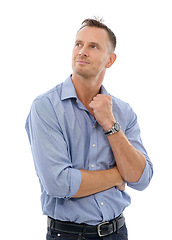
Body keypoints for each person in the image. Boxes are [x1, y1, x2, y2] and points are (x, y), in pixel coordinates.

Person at [25, 18, 153, 240]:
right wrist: (117, 175)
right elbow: (58, 183)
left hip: (118, 233)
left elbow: (141, 179)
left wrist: (111, 125)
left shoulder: (122, 112)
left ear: (110, 60)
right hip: (68, 235)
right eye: (78, 44)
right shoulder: (46, 107)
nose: (82, 51)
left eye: (93, 46)